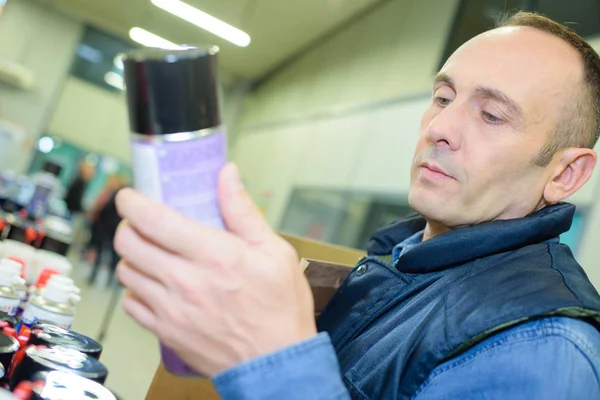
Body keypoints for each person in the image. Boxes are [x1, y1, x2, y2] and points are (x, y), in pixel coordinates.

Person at [113, 12, 600, 400]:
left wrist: (275, 361)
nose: (440, 127)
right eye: (443, 96)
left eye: (492, 115)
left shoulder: (540, 349)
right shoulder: (397, 260)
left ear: (564, 174)